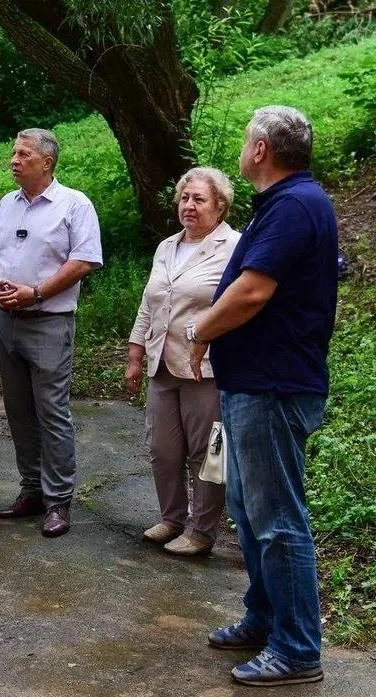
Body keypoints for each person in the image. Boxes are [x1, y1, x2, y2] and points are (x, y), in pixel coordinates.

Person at [188, 107, 338, 686]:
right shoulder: (283, 205)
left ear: (261, 150)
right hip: (251, 382)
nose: (244, 148)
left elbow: (251, 293)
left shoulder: (297, 205)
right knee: (249, 512)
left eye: (248, 140)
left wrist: (200, 331)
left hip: (273, 386)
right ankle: (264, 616)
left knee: (278, 520)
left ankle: (298, 650)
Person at [0, 128, 102, 538]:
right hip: (7, 322)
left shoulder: (74, 205)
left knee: (52, 412)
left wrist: (35, 294)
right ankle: (31, 490)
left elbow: (84, 260)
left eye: (23, 154)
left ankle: (58, 501)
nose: (13, 160)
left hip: (49, 322)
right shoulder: (5, 206)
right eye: (13, 152)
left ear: (46, 162)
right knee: (17, 410)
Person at [125, 168, 240, 556]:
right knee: (162, 447)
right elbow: (149, 303)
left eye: (199, 200)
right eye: (185, 198)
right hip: (162, 363)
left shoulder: (234, 247)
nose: (189, 206)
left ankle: (202, 530)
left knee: (206, 451)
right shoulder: (167, 246)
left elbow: (238, 306)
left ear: (220, 206)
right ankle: (172, 518)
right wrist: (136, 352)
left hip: (205, 368)